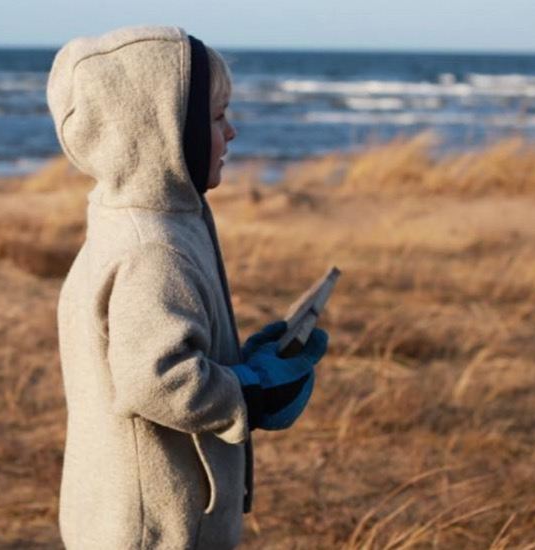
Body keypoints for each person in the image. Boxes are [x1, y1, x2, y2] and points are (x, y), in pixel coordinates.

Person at [47, 25, 329, 549]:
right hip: (156, 529)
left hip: (135, 511)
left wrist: (242, 359)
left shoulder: (145, 216)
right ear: (161, 129)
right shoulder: (151, 248)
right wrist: (251, 387)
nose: (233, 133)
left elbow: (154, 344)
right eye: (218, 118)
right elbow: (155, 379)